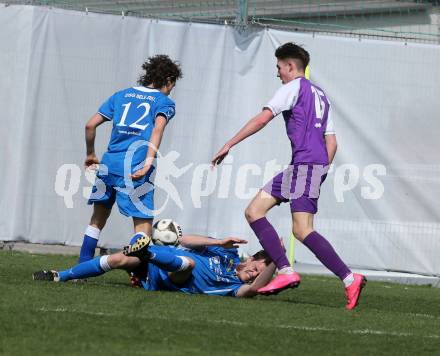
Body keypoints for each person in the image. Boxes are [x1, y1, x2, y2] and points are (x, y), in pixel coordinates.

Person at [211, 42, 366, 310]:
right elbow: (332, 144)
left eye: (279, 67)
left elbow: (263, 118)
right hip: (308, 167)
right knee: (255, 211)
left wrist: (229, 143)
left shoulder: (293, 87)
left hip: (304, 165)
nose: (278, 73)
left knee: (299, 229)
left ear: (291, 66)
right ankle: (330, 275)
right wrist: (320, 172)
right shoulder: (322, 95)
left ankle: (330, 276)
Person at [78, 55, 183, 263]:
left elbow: (90, 125)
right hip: (135, 167)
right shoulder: (164, 102)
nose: (171, 89)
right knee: (143, 227)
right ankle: (140, 274)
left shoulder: (121, 95)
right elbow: (158, 130)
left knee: (97, 220)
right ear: (168, 80)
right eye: (172, 85)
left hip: (109, 166)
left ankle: (82, 266)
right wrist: (147, 163)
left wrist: (90, 154)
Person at [33, 233, 276, 298]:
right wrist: (218, 241)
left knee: (189, 264)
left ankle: (145, 251)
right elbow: (184, 239)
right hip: (160, 260)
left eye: (261, 274)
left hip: (173, 278)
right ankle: (60, 276)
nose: (255, 275)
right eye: (258, 267)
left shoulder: (235, 287)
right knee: (118, 259)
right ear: (251, 258)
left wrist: (277, 259)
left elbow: (253, 290)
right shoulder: (228, 254)